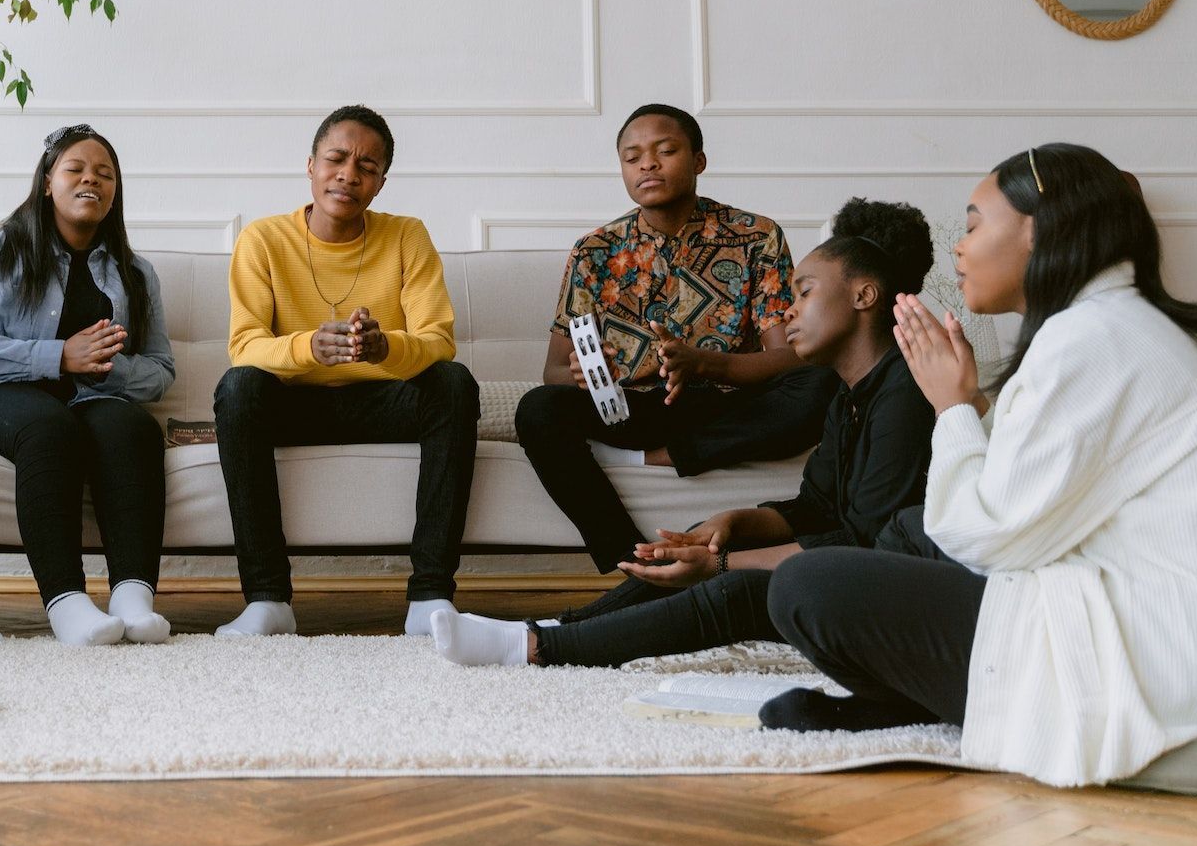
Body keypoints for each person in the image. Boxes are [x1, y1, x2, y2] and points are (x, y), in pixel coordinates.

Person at [758, 145, 1197, 791]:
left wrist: (952, 407)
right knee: (908, 529)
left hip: (1174, 654)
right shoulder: (1112, 327)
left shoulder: (1092, 338)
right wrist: (970, 408)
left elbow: (987, 539)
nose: (958, 250)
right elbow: (1014, 502)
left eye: (972, 226)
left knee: (806, 587)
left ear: (1037, 229)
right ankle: (918, 699)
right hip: (1177, 627)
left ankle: (927, 701)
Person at [430, 198, 937, 669]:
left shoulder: (906, 393)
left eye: (803, 293)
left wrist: (721, 565)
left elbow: (860, 542)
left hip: (881, 591)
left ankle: (545, 646)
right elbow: (816, 510)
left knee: (734, 586)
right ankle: (556, 626)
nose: (788, 309)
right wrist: (732, 522)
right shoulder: (852, 395)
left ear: (863, 295)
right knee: (698, 547)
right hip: (648, 408)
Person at [516, 103, 838, 572]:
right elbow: (551, 373)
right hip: (634, 407)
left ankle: (655, 460)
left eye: (665, 150)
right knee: (537, 410)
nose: (647, 164)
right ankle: (632, 560)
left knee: (821, 383)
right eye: (632, 157)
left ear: (698, 161)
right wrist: (586, 376)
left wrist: (703, 363)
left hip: (730, 403)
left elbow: (789, 356)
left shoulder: (756, 237)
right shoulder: (595, 251)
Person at [213, 106, 479, 638]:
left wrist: (384, 348)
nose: (348, 174)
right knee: (237, 388)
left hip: (384, 404)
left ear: (380, 183)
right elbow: (245, 346)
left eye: (367, 166)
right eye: (336, 158)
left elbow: (437, 342)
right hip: (294, 407)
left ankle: (429, 596)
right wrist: (310, 346)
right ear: (310, 165)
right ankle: (268, 600)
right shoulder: (263, 240)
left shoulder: (407, 236)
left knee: (454, 383)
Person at [0, 125, 176, 646]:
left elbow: (160, 370)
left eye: (105, 174)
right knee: (48, 426)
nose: (92, 180)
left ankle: (133, 596)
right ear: (46, 183)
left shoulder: (136, 272)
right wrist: (59, 355)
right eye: (76, 169)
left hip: (93, 397)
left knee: (131, 426)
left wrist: (110, 366)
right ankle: (66, 604)